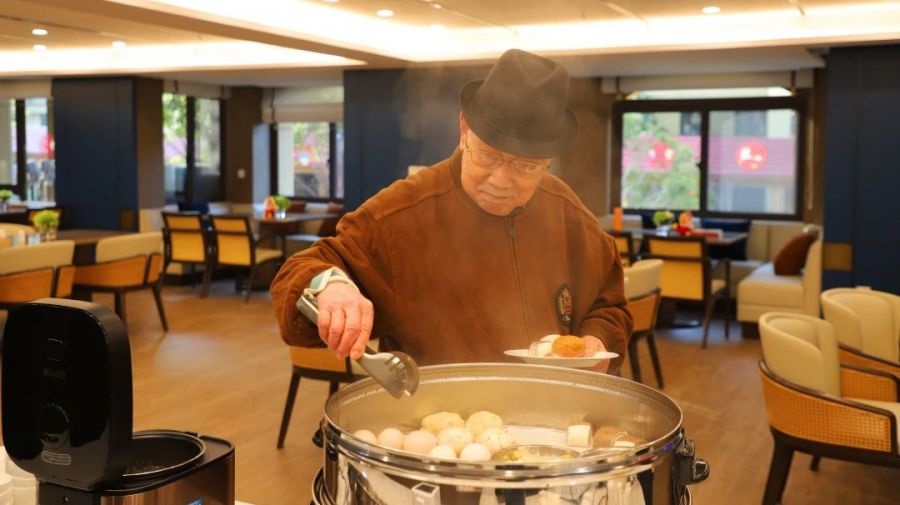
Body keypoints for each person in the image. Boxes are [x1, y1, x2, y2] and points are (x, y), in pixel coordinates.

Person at [271, 49, 632, 372]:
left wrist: (597, 340)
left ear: (548, 161)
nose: (501, 180)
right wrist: (329, 287)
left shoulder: (566, 212)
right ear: (464, 130)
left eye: (526, 166)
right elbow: (303, 271)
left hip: (551, 413)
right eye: (488, 155)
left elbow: (608, 305)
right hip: (436, 415)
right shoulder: (401, 214)